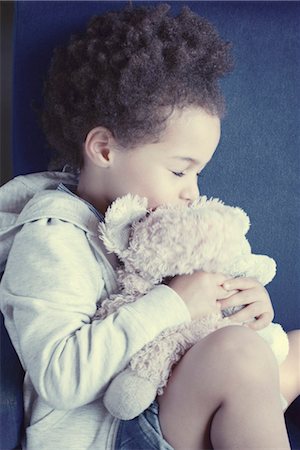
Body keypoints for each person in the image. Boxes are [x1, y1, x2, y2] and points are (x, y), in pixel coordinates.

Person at [0, 3, 299, 449]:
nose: (193, 193)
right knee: (237, 354)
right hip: (114, 429)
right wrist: (175, 303)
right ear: (104, 149)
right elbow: (61, 378)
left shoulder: (158, 224)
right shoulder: (50, 238)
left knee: (275, 347)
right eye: (180, 171)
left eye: (199, 173)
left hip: (175, 390)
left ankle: (245, 407)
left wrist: (248, 308)